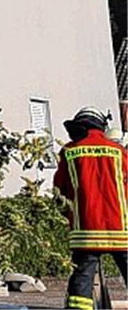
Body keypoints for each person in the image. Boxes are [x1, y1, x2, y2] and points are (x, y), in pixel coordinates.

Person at [52, 106, 127, 309]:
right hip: (120, 229)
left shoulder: (69, 151)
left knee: (83, 276)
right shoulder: (119, 152)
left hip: (85, 230)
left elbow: (60, 192)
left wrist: (69, 216)